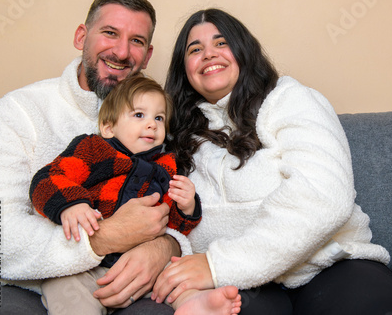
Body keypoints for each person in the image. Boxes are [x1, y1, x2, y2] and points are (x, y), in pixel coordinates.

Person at [150, 8, 392, 314]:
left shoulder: (291, 99)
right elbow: (170, 215)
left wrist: (218, 263)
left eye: (221, 43)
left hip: (329, 264)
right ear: (184, 68)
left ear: (244, 52)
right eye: (195, 50)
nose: (209, 54)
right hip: (243, 286)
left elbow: (324, 195)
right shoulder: (171, 132)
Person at [0, 0, 183, 315]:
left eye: (136, 41)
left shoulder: (154, 125)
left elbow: (175, 206)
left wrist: (165, 247)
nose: (121, 51)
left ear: (147, 56)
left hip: (129, 276)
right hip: (29, 284)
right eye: (110, 33)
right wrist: (101, 240)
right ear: (81, 36)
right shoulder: (18, 112)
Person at [29, 75, 239, 314]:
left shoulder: (165, 166)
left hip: (143, 267)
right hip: (88, 265)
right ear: (108, 127)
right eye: (139, 115)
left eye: (159, 118)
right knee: (63, 286)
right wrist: (71, 205)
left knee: (175, 277)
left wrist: (187, 206)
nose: (152, 124)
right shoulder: (93, 149)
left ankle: (195, 304)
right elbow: (47, 179)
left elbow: (172, 225)